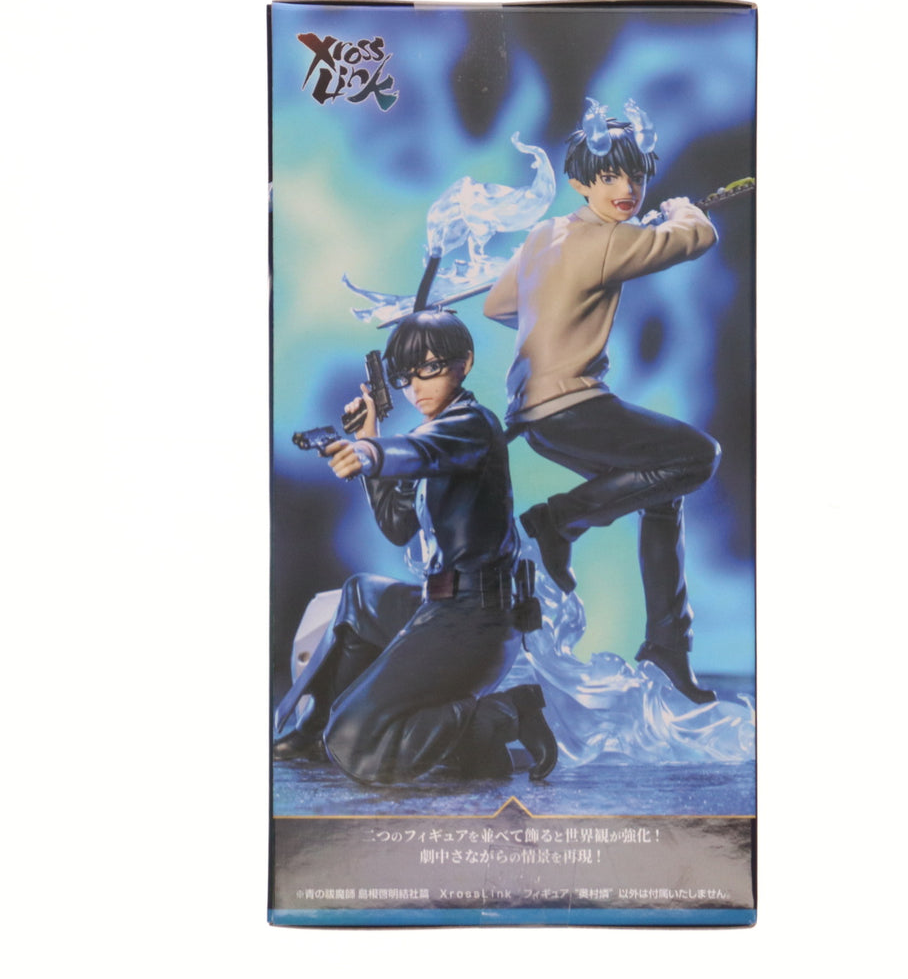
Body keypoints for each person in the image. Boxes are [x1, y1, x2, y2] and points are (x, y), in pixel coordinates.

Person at [483, 101, 721, 704]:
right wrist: (681, 209)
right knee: (698, 456)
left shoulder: (545, 236)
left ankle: (668, 647)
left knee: (662, 494)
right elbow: (697, 236)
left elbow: (498, 304)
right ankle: (555, 522)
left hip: (532, 413)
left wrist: (555, 301)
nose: (627, 190)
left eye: (636, 176)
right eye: (610, 176)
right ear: (580, 181)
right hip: (571, 406)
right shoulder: (612, 241)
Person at [273, 309, 557, 783]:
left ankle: (504, 711)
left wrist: (368, 454)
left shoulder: (472, 426)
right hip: (441, 606)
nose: (416, 387)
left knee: (355, 744)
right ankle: (314, 728)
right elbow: (397, 526)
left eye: (430, 368)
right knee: (360, 594)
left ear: (464, 363)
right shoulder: (436, 436)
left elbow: (422, 448)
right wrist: (368, 435)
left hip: (478, 622)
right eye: (406, 376)